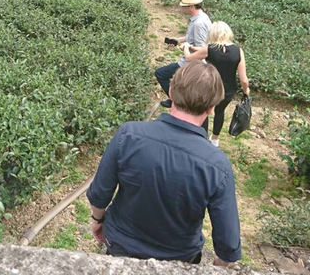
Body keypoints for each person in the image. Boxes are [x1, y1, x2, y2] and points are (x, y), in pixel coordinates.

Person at [87, 61, 241, 266]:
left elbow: (99, 193)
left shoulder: (129, 134)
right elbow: (228, 246)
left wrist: (97, 220)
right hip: (179, 259)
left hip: (120, 245)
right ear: (212, 109)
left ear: (170, 92)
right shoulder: (218, 165)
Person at [183, 21, 250, 147]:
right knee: (220, 112)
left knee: (204, 110)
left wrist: (187, 47)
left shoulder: (210, 49)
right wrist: (246, 91)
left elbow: (188, 58)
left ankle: (201, 136)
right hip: (228, 90)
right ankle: (214, 140)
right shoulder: (238, 51)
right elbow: (244, 79)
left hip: (210, 87)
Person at [155, 0, 212, 107]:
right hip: (192, 62)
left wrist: (187, 47)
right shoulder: (202, 17)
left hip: (191, 62)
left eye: (185, 6)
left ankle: (175, 101)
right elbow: (192, 37)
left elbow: (202, 48)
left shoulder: (198, 23)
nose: (183, 9)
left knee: (161, 74)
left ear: (191, 6)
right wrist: (178, 40)